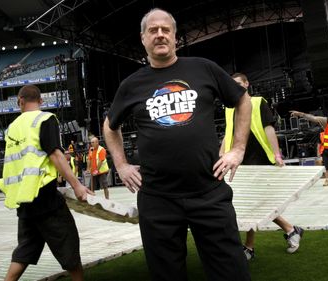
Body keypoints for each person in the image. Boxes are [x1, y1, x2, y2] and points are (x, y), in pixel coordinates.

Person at [103, 8, 252, 281]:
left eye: (166, 29)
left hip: (208, 191)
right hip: (157, 198)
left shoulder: (203, 68)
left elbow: (243, 100)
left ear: (174, 36)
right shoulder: (131, 85)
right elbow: (110, 126)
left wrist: (238, 149)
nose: (160, 34)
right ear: (143, 38)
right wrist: (121, 165)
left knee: (231, 272)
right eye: (153, 30)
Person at [0, 85, 93, 281]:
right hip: (45, 199)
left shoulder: (12, 127)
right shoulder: (44, 119)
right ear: (41, 101)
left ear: (19, 102)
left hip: (23, 200)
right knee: (69, 247)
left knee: (24, 252)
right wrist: (77, 186)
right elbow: (55, 154)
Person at [220, 73, 303, 260]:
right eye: (233, 85)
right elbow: (228, 133)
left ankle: (250, 247)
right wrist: (221, 154)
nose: (237, 87)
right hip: (239, 162)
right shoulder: (229, 109)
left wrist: (277, 154)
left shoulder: (258, 102)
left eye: (239, 84)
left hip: (260, 159)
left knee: (255, 206)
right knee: (251, 205)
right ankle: (291, 230)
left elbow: (268, 128)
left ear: (247, 84)